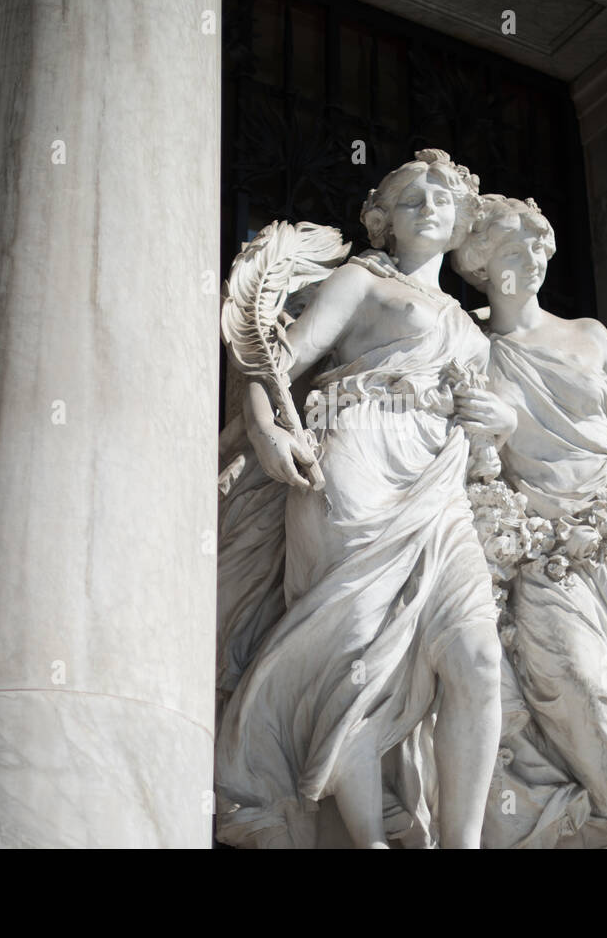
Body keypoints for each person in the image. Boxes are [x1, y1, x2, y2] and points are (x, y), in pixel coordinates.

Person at [215, 151, 515, 848]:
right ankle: (366, 839)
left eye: (442, 197)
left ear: (461, 221)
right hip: (353, 455)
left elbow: (494, 446)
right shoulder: (361, 281)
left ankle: (462, 842)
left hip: (439, 484)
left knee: (476, 655)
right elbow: (272, 366)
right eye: (410, 196)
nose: (429, 205)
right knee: (350, 658)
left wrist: (498, 426)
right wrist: (262, 430)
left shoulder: (472, 330)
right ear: (381, 220)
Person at [453, 195, 607, 848]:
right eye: (510, 246)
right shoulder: (470, 346)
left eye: (535, 244)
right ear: (479, 261)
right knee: (579, 677)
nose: (528, 257)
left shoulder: (590, 336)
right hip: (540, 542)